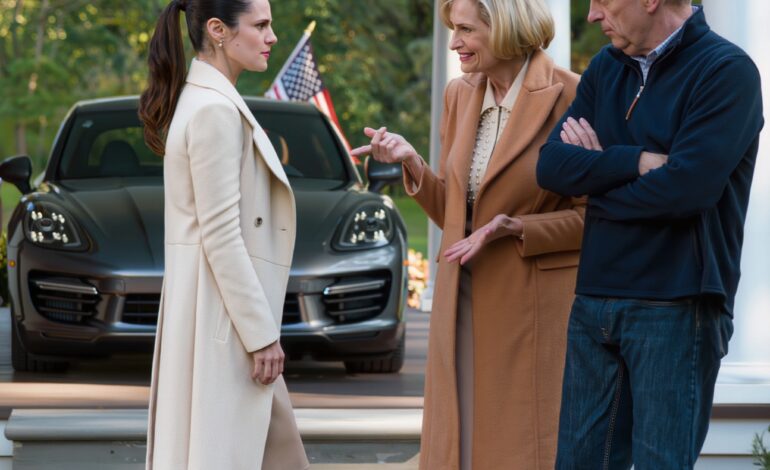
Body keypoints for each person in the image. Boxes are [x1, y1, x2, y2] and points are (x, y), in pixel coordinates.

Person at [352, 0, 584, 468]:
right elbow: (456, 215)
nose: (454, 42)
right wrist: (413, 163)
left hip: (530, 304)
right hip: (460, 296)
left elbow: (595, 216)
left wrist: (518, 227)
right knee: (459, 443)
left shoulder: (572, 94)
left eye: (465, 30)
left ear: (504, 28)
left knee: (520, 446)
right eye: (452, 30)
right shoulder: (459, 94)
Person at [537, 1, 764, 468]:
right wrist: (635, 161)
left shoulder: (726, 71)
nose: (592, 15)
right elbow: (552, 167)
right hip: (595, 299)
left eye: (603, 1)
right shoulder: (606, 67)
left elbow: (686, 191)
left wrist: (595, 185)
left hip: (677, 303)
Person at [138, 0, 309, 468]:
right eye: (261, 25)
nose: (272, 37)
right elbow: (221, 234)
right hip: (223, 321)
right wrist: (261, 335)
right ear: (217, 29)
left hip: (212, 313)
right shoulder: (214, 109)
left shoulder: (205, 100)